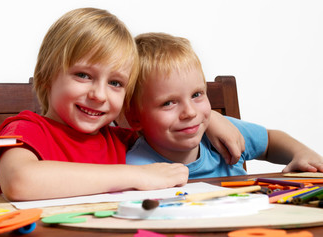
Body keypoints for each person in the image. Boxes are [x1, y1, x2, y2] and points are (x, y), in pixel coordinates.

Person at [0, 8, 243, 201]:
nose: (99, 95)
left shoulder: (121, 140)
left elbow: (166, 122)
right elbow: (21, 182)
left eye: (116, 83)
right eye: (83, 75)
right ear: (46, 76)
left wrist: (212, 121)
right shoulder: (26, 131)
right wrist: (139, 176)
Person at [125, 32, 323, 179]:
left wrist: (302, 153)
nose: (190, 112)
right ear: (135, 117)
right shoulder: (137, 169)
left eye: (197, 94)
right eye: (168, 103)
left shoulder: (223, 134)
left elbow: (270, 141)